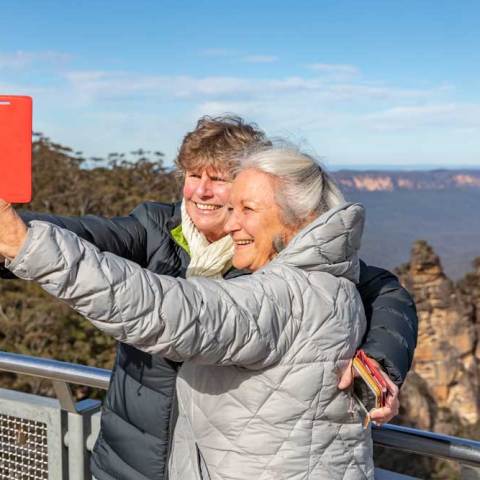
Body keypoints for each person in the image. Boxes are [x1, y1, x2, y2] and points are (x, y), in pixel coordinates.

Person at [0, 116, 417, 480]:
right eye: (191, 174)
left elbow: (385, 292)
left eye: (218, 180)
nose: (200, 191)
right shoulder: (155, 229)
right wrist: (17, 237)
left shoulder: (283, 279)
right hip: (134, 460)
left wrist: (379, 362)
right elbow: (83, 237)